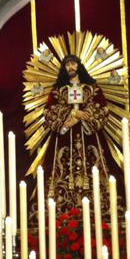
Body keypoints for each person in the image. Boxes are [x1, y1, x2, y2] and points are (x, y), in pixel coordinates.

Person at [44, 54, 111, 215]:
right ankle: (62, 208)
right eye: (67, 65)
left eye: (73, 64)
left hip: (89, 138)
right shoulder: (58, 90)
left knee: (94, 169)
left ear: (79, 65)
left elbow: (102, 108)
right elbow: (49, 111)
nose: (70, 67)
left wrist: (85, 114)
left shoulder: (92, 87)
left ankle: (99, 206)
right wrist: (73, 114)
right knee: (61, 170)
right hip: (65, 138)